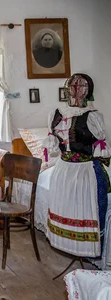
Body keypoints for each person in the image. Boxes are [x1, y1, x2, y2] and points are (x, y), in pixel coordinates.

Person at [44, 73, 110, 259]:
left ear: (89, 91)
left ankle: (87, 251)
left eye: (81, 86)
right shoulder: (55, 115)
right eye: (72, 85)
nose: (75, 89)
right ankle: (66, 245)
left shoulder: (93, 116)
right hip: (63, 170)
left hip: (84, 171)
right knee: (63, 208)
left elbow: (100, 148)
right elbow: (53, 144)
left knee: (86, 208)